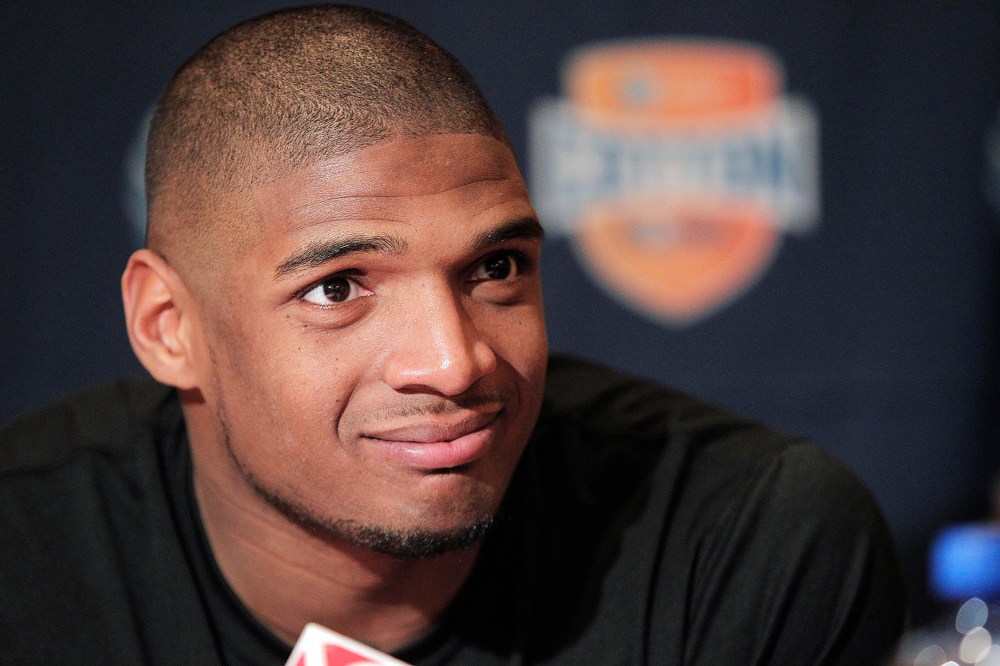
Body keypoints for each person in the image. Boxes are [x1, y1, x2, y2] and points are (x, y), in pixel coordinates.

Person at [0, 5, 905, 664]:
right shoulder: (25, 555)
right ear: (169, 328)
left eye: (496, 268)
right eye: (339, 287)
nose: (455, 359)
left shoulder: (744, 546)